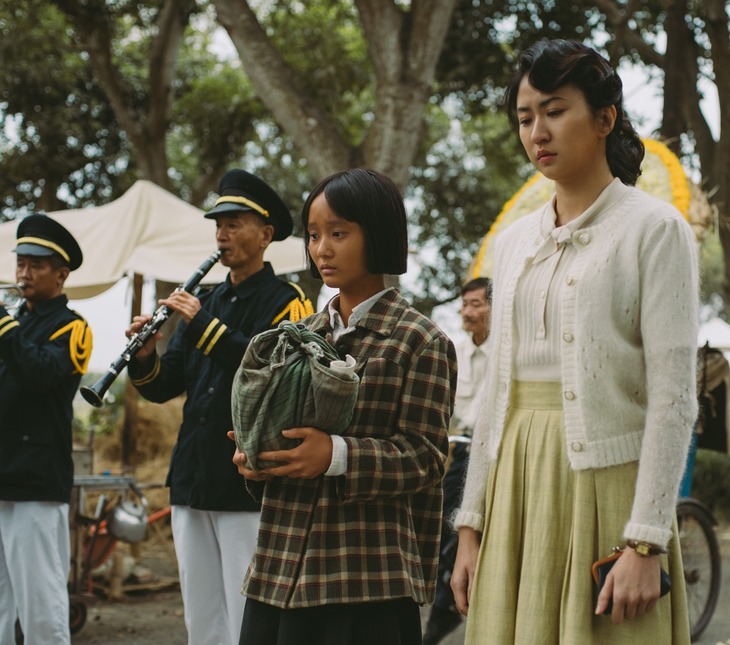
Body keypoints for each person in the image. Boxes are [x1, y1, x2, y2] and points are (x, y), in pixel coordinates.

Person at [451, 39, 698, 644]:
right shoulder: (510, 244)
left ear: (605, 118)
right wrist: (470, 526)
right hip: (516, 481)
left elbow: (672, 398)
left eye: (555, 110)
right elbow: (495, 397)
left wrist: (645, 539)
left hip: (608, 486)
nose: (538, 131)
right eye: (526, 117)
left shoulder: (654, 229)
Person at [231, 168, 457, 645]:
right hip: (278, 566)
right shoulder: (299, 334)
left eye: (338, 233)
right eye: (314, 235)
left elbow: (427, 458)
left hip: (363, 580)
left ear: (378, 233)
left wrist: (334, 455)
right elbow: (281, 431)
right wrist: (261, 459)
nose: (322, 249)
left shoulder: (420, 340)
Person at [125, 169, 314, 645]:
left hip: (244, 479)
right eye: (218, 224)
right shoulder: (206, 299)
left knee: (245, 615)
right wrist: (144, 355)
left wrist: (203, 324)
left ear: (266, 234)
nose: (222, 234)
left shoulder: (287, 300)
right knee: (202, 617)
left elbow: (272, 368)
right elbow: (164, 386)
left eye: (234, 223)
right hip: (191, 474)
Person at [0, 215, 91, 644]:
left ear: (61, 273)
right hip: (3, 474)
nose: (24, 272)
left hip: (36, 478)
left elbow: (38, 374)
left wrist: (4, 325)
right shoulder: (14, 324)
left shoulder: (73, 328)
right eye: (21, 263)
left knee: (41, 605)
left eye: (36, 264)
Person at [423, 276, 492, 645]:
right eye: (464, 304)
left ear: (494, 309)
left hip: (482, 454)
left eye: (476, 304)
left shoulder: (506, 353)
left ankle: (444, 609)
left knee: (451, 534)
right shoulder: (453, 351)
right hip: (450, 449)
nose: (467, 312)